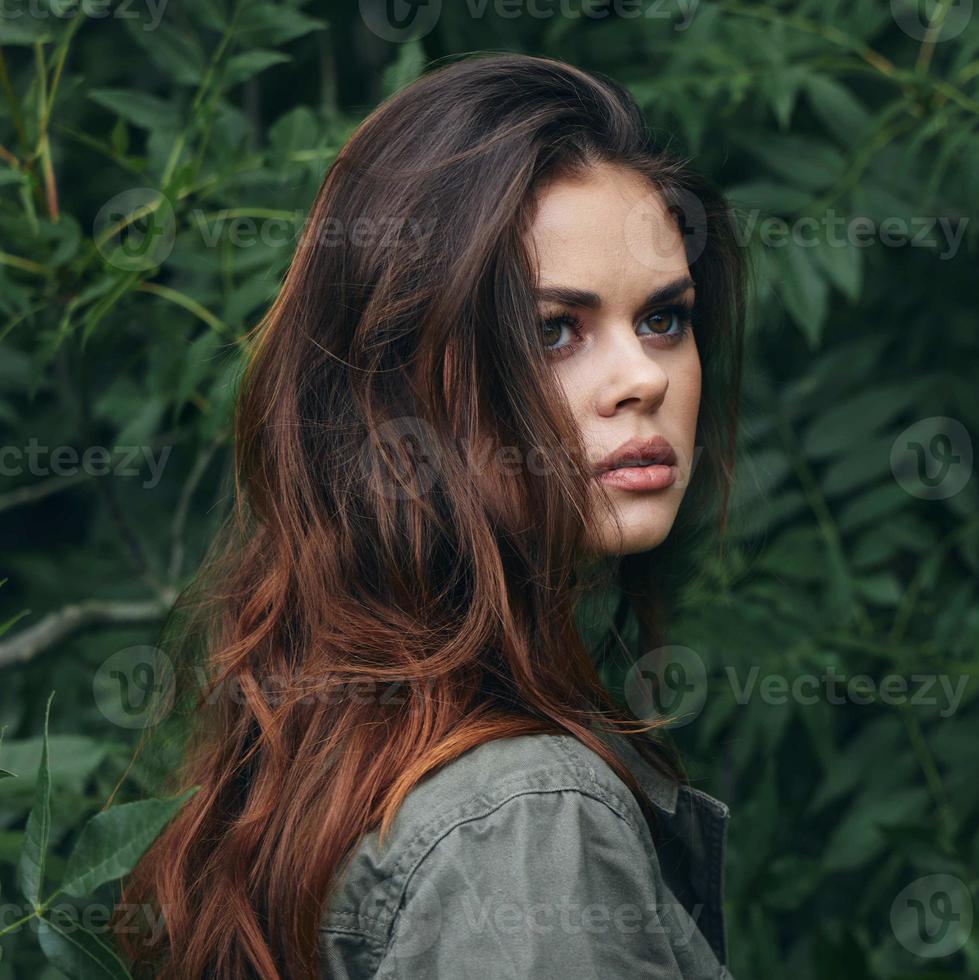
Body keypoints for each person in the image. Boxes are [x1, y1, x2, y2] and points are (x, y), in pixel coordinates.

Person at [118, 52, 747, 979]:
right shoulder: (527, 821)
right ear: (403, 391)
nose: (644, 378)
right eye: (553, 330)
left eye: (664, 320)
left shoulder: (336, 755)